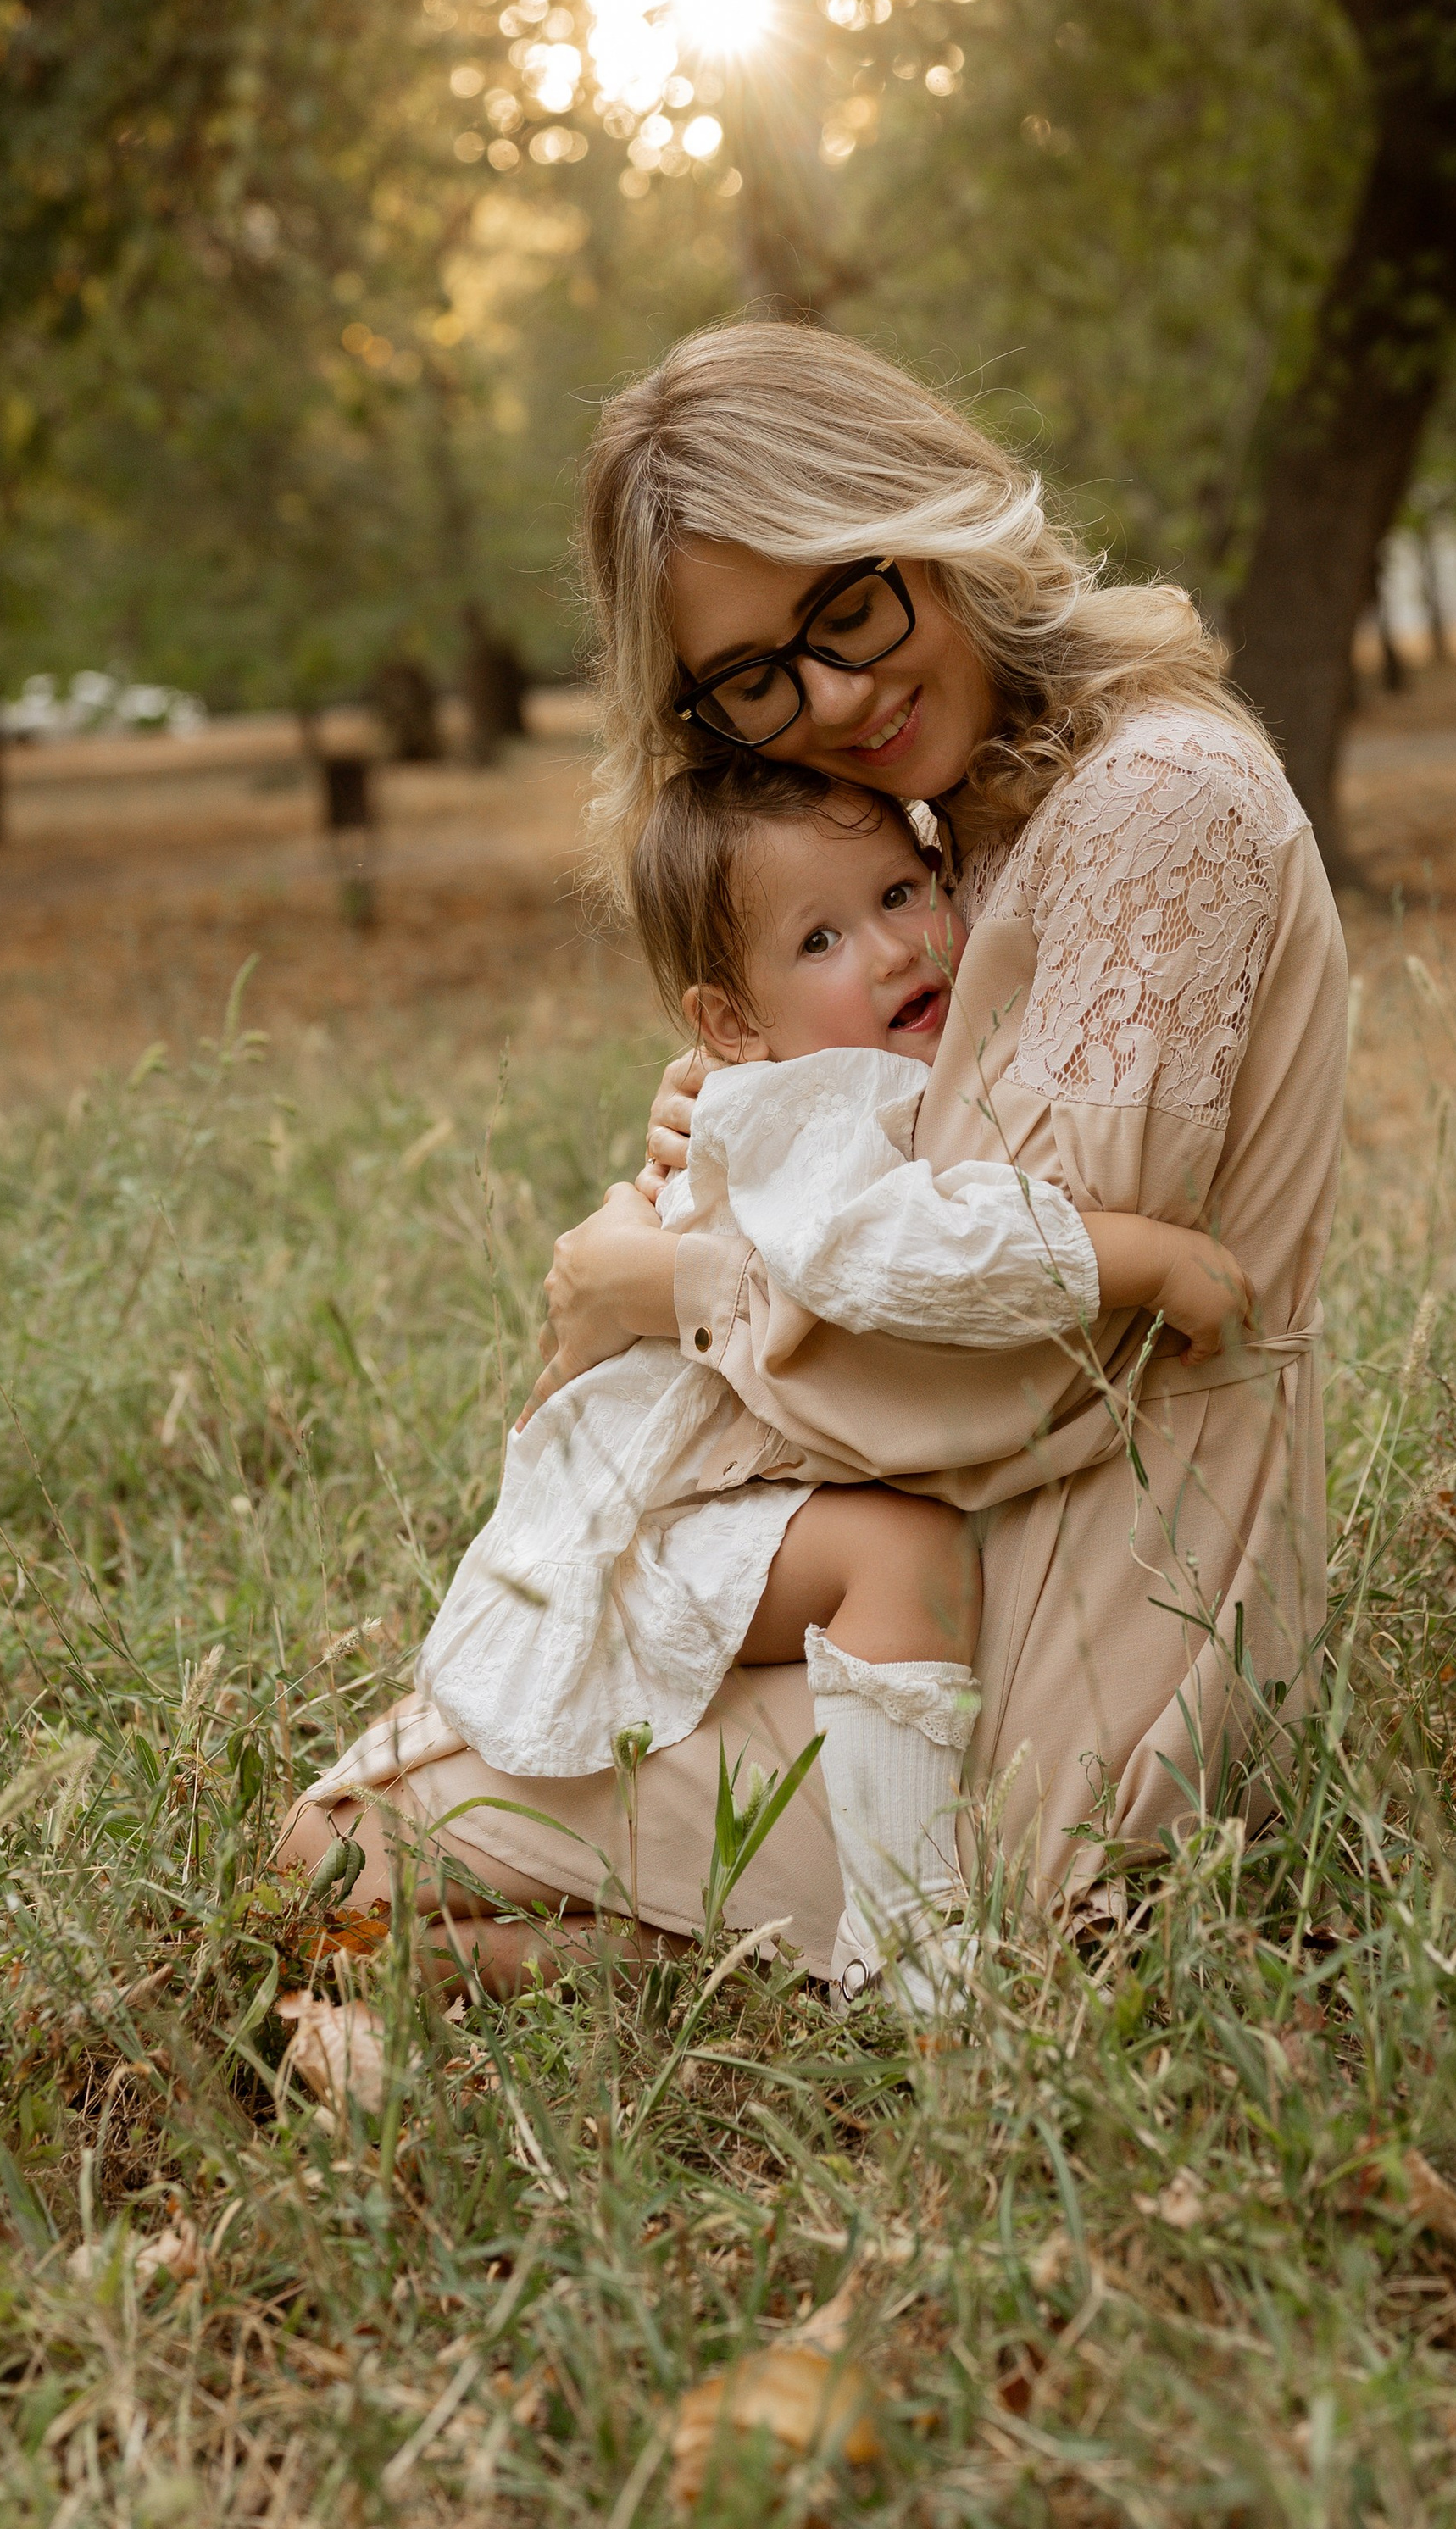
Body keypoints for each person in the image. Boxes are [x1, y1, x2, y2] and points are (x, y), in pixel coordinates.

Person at [283, 321, 1346, 1995]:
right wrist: (747, 1120)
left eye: (847, 605)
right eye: (757, 677)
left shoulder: (1156, 800)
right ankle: (568, 1978)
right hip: (934, 1569)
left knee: (349, 1843)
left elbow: (1019, 1366)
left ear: (928, 515)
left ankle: (804, 1963)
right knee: (353, 1845)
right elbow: (903, 1181)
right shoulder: (953, 823)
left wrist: (656, 1279)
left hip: (1089, 1605)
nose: (834, 697)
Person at [291, 753, 1253, 2009]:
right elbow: (897, 1255)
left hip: (709, 1508)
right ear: (731, 1023)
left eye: (907, 893)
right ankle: (908, 1961)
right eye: (822, 938)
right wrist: (1142, 1258)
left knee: (895, 1557)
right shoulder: (814, 1103)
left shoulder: (854, 1073)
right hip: (664, 1526)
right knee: (895, 1556)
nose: (901, 948)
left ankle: (766, 1959)